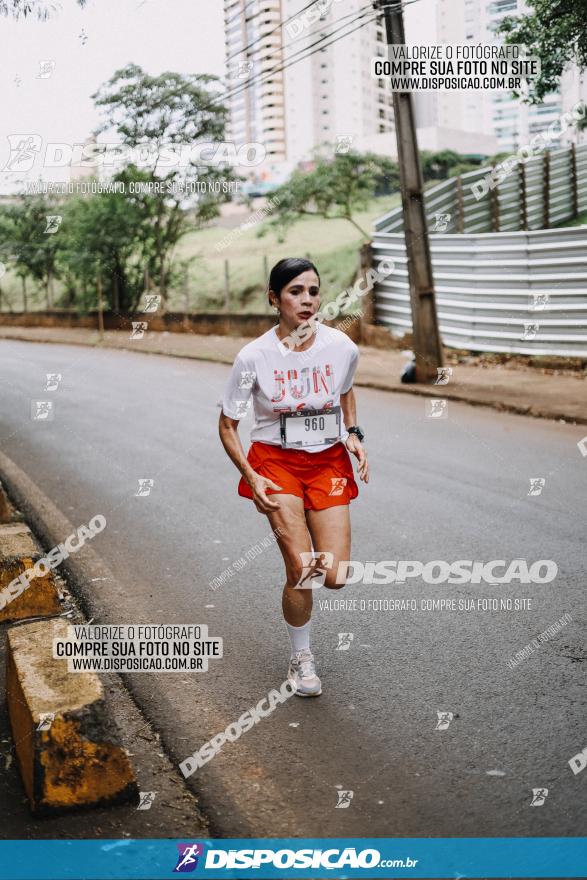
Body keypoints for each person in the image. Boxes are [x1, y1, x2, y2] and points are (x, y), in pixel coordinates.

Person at [218, 257, 369, 696]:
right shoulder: (254, 357)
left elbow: (344, 390)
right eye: (295, 292)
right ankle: (302, 658)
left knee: (335, 575)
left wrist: (354, 432)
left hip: (327, 462)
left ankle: (301, 567)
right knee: (302, 568)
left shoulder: (342, 348)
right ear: (274, 299)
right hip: (276, 463)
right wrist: (251, 474)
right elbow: (228, 424)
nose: (307, 300)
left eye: (314, 291)